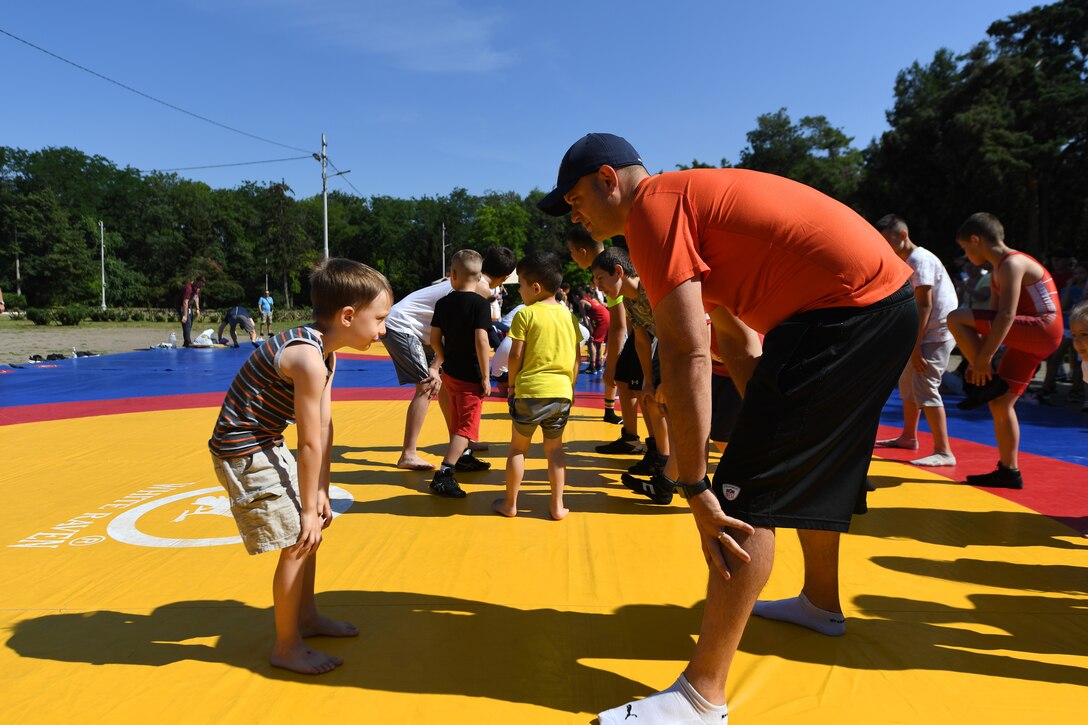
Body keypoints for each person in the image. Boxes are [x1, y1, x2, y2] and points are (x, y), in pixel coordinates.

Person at [538, 133, 915, 724]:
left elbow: (688, 354)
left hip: (844, 313)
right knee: (798, 469)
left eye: (575, 198)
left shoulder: (653, 211)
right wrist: (770, 421)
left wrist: (697, 484)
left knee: (746, 497)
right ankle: (820, 602)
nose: (573, 212)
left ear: (610, 178)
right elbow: (735, 339)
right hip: (878, 306)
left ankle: (701, 695)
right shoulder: (687, 206)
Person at [207, 258, 392, 675]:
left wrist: (321, 492)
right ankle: (286, 645)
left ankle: (305, 616)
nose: (382, 331)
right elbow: (307, 441)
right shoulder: (307, 358)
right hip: (243, 449)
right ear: (348, 316)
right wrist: (307, 509)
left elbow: (324, 427)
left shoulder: (325, 354)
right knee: (297, 536)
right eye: (379, 319)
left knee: (313, 527)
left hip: (264, 441)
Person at [947, 213, 1064, 488]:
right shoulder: (1000, 269)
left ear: (976, 240)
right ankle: (1009, 471)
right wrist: (988, 354)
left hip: (1042, 328)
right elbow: (994, 316)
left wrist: (983, 359)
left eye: (965, 248)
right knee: (1000, 402)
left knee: (955, 317)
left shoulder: (1012, 263)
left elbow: (1006, 315)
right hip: (1032, 336)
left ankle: (982, 376)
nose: (965, 254)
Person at [382, 246, 515, 470]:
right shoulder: (479, 288)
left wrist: (438, 364)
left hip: (417, 329)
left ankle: (460, 439)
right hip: (403, 326)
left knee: (443, 386)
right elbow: (465, 335)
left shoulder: (468, 279)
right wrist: (478, 374)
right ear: (505, 278)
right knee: (428, 385)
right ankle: (408, 453)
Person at [491, 252, 579, 520]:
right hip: (561, 393)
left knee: (518, 448)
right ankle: (556, 506)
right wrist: (570, 387)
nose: (521, 293)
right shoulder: (570, 317)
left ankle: (510, 503)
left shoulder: (526, 315)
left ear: (536, 287)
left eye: (522, 287)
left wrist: (514, 383)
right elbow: (575, 358)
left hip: (530, 391)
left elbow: (515, 355)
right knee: (555, 450)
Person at [590, 247, 676, 504]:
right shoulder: (629, 300)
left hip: (680, 348)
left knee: (673, 409)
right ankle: (664, 466)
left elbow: (677, 335)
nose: (598, 287)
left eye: (600, 279)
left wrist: (668, 381)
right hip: (664, 347)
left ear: (618, 271)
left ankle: (672, 475)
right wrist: (649, 381)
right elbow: (641, 338)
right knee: (651, 400)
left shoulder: (653, 291)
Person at [874, 215, 959, 467]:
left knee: (926, 386)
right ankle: (909, 436)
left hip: (933, 334)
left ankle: (944, 451)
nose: (883, 248)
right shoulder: (908, 260)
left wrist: (915, 345)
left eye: (885, 241)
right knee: (908, 385)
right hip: (923, 334)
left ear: (902, 236)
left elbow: (924, 304)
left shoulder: (919, 259)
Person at [427, 250, 494, 498]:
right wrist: (485, 377)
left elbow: (434, 339)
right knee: (464, 429)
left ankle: (464, 458)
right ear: (478, 279)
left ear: (452, 275)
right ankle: (444, 474)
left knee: (456, 420)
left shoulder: (443, 303)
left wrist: (444, 357)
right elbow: (481, 340)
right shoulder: (480, 304)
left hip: (451, 375)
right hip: (470, 377)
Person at [566, 225, 634, 429]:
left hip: (639, 335)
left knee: (624, 379)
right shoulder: (610, 265)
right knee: (625, 381)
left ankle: (633, 435)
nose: (571, 257)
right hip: (639, 334)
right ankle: (611, 411)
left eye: (571, 252)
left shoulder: (608, 270)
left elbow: (619, 326)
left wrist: (611, 366)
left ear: (582, 252)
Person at [177, 276, 205, 347]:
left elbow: (196, 297)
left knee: (190, 321)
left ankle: (186, 341)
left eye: (202, 285)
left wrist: (197, 309)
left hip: (189, 305)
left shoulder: (198, 288)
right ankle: (188, 342)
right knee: (187, 322)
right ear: (197, 281)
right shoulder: (188, 288)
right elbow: (185, 302)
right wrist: (185, 315)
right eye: (200, 284)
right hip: (181, 305)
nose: (200, 287)